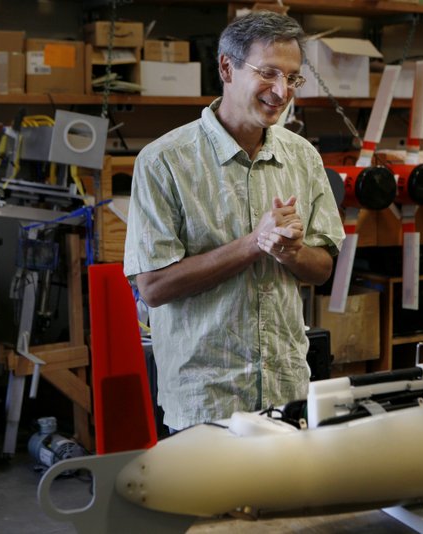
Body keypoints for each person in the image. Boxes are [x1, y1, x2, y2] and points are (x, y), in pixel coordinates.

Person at [123, 10, 345, 431]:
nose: (281, 91)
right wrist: (253, 243)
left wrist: (293, 252)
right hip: (205, 400)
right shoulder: (164, 161)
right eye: (268, 73)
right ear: (226, 67)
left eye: (293, 78)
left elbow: (322, 270)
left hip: (286, 392)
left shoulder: (303, 157)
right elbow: (153, 287)